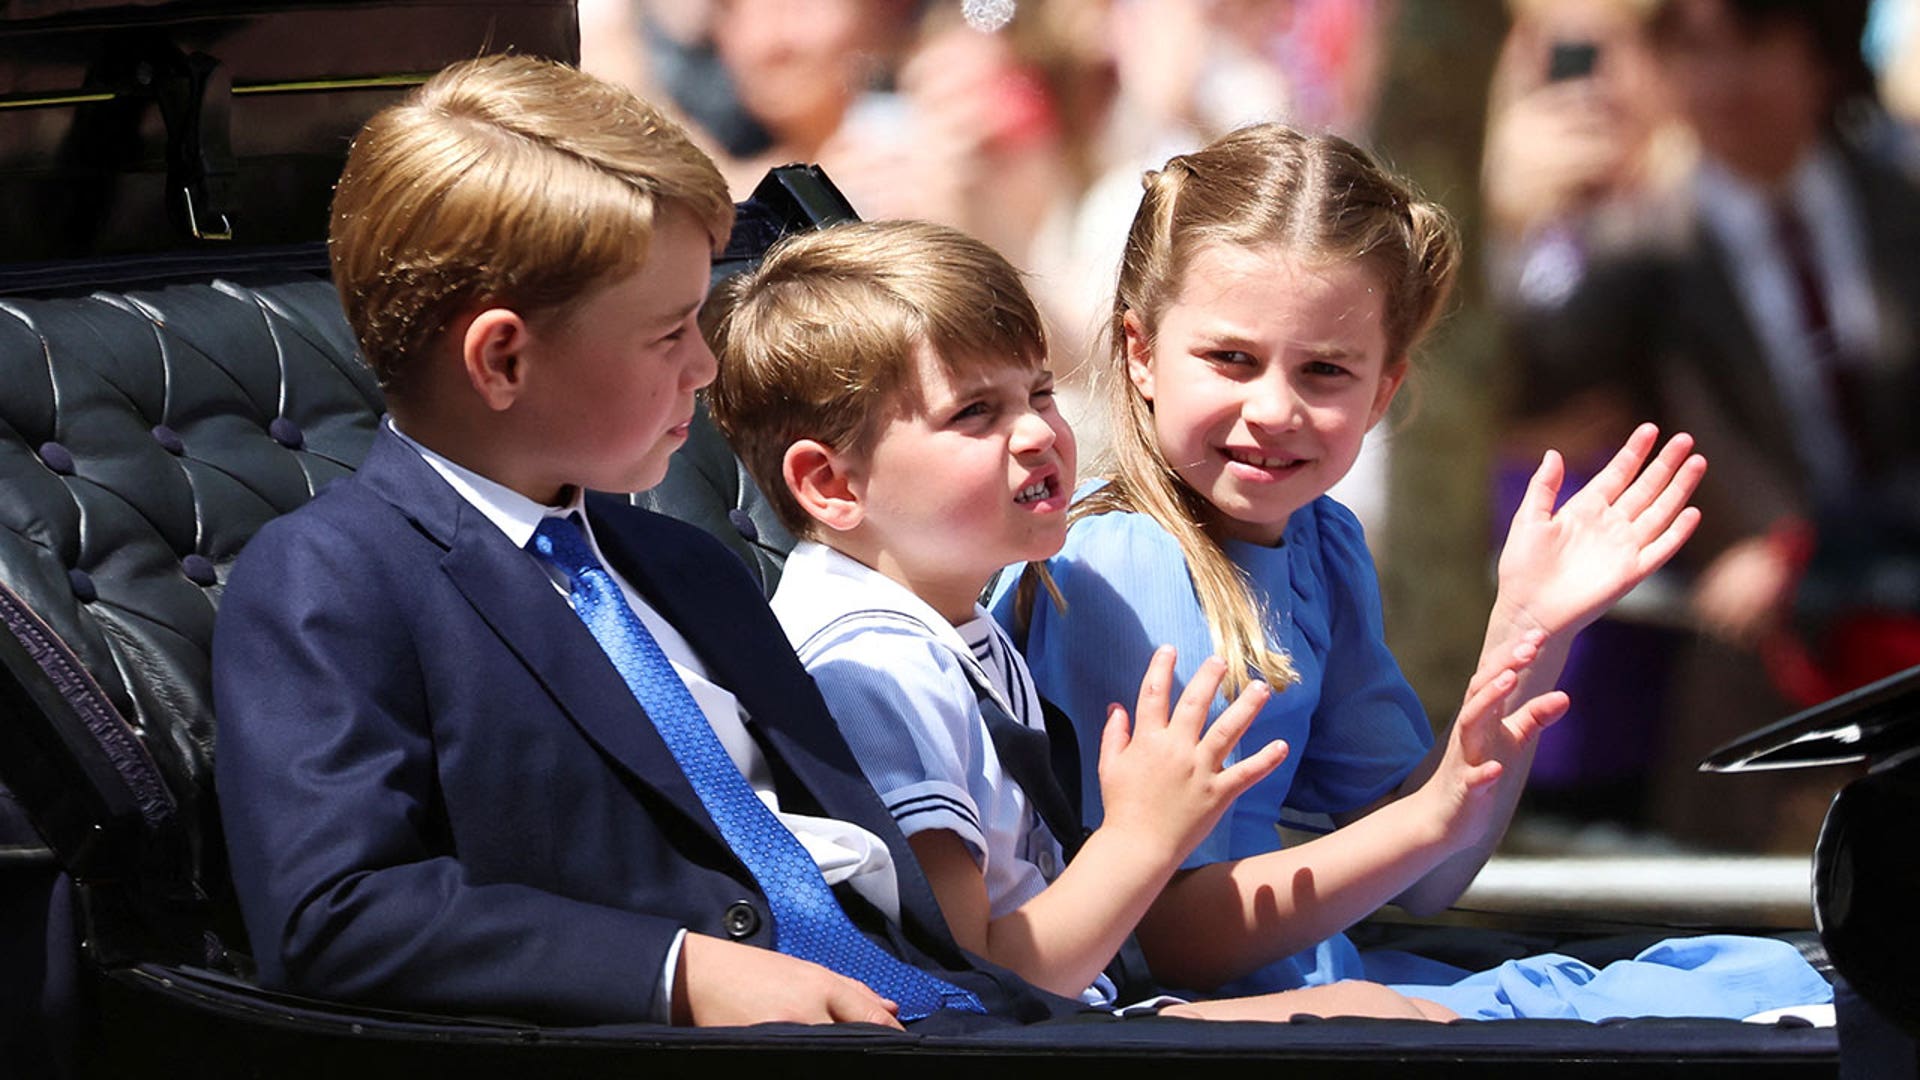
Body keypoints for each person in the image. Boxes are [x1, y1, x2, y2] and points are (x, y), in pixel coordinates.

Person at [212, 54, 1082, 1031]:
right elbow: (336, 911)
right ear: (504, 357)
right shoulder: (337, 580)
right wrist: (681, 972)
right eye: (668, 333)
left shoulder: (683, 568)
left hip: (947, 1014)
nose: (704, 365)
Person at [996, 123, 1829, 1019]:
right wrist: (1431, 814)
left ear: (1383, 390)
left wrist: (1527, 637)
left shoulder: (1321, 542)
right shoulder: (1124, 562)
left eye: (1325, 371)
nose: (1274, 408)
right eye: (1231, 359)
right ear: (1141, 352)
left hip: (1310, 989)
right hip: (1175, 1018)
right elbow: (1164, 939)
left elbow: (1430, 873)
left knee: (1768, 982)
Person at [709, 218, 1569, 1019]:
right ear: (829, 484)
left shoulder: (944, 628)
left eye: (1039, 394)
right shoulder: (876, 670)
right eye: (976, 413)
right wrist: (1145, 838)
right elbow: (969, 988)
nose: (1037, 434)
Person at [1510, 0, 1920, 852]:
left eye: (1751, 43)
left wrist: (1818, 548)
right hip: (1760, 673)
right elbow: (1513, 394)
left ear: (1821, 55)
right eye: (1692, 51)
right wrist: (1517, 221)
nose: (1720, 80)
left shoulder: (1901, 202)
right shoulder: (1637, 246)